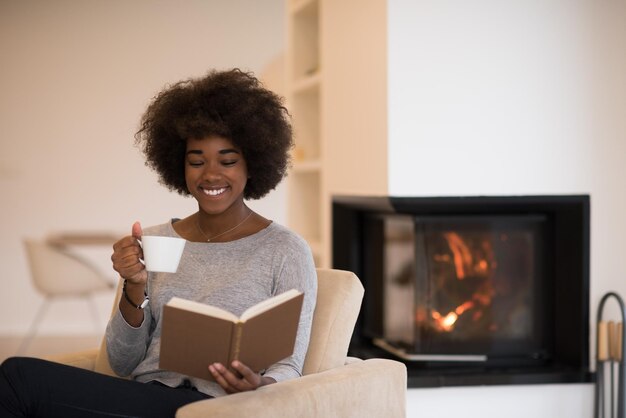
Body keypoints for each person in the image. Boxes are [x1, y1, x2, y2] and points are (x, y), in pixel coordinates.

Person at [0, 68, 317, 417]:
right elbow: (122, 362)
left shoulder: (285, 250)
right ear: (179, 166)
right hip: (146, 398)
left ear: (253, 164)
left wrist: (261, 388)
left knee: (18, 378)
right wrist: (134, 288)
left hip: (217, 407)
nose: (211, 174)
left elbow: (290, 365)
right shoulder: (155, 240)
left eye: (227, 161)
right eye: (197, 161)